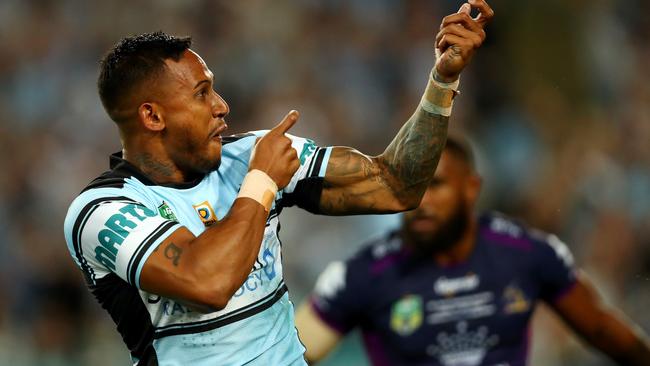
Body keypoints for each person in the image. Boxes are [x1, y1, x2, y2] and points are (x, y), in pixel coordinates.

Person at [62, 1, 493, 364]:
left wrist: (442, 82)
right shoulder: (102, 210)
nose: (221, 106)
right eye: (201, 94)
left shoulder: (247, 155)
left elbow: (395, 185)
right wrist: (263, 181)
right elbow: (206, 284)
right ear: (152, 116)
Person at [295, 136, 650, 366]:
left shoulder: (526, 253)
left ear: (471, 189)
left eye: (434, 186)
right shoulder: (364, 274)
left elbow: (602, 329)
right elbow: (289, 354)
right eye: (409, 187)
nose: (419, 201)